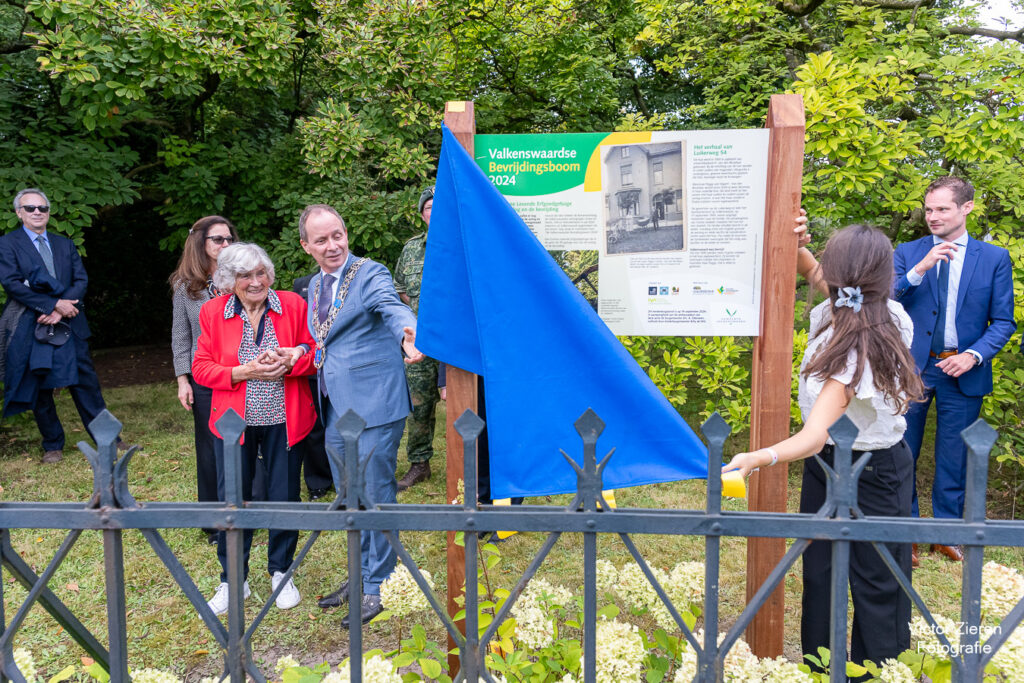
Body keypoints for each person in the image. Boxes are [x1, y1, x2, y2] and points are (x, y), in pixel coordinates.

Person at [724, 224, 923, 673]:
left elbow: (815, 432)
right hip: (825, 467)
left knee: (878, 583)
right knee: (820, 574)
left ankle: (879, 673)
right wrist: (798, 244)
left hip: (874, 470)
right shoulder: (841, 307)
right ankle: (823, 671)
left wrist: (757, 457)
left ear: (844, 275)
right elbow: (817, 276)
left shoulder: (869, 339)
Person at [297, 204, 424, 627]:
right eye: (321, 240)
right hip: (336, 405)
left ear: (346, 233)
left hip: (375, 403)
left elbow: (391, 308)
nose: (332, 245)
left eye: (338, 235)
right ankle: (361, 573)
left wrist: (408, 331)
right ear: (306, 247)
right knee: (349, 496)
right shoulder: (314, 286)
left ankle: (379, 584)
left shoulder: (370, 273)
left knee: (375, 493)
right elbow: (324, 339)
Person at [893, 176, 1015, 563]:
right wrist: (920, 269)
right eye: (928, 209)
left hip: (962, 370)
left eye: (942, 208)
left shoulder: (994, 258)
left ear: (967, 208)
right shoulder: (908, 252)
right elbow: (886, 301)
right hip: (912, 368)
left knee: (954, 456)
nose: (933, 216)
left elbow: (1003, 321)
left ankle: (946, 534)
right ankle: (906, 534)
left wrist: (973, 355)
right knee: (901, 452)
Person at [192, 242, 317, 616]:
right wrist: (241, 371)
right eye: (245, 275)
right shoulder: (213, 312)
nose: (254, 281)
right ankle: (233, 580)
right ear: (230, 280)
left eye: (260, 272)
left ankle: (281, 571)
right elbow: (201, 368)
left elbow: (314, 352)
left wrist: (293, 358)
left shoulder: (293, 305)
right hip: (234, 423)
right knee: (234, 498)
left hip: (286, 417)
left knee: (285, 496)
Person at [0, 188, 125, 462]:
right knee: (41, 389)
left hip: (69, 322)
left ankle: (109, 439)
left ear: (48, 212)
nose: (37, 212)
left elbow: (81, 280)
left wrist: (62, 309)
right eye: (30, 208)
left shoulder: (64, 244)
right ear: (19, 213)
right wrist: (52, 305)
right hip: (34, 325)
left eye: (42, 208)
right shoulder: (7, 244)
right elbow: (11, 284)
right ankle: (53, 445)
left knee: (86, 384)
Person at [169, 216, 239, 545]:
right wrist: (183, 380)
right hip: (205, 376)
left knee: (247, 443)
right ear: (201, 244)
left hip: (244, 370)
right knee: (210, 447)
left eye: (229, 239)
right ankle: (214, 520)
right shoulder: (186, 287)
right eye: (217, 240)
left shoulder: (243, 277)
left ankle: (248, 507)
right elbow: (181, 337)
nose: (225, 245)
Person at [393, 187, 442, 492]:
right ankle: (419, 464)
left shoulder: (464, 242)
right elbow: (400, 290)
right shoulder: (411, 249)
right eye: (429, 208)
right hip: (420, 341)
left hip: (456, 341)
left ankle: (471, 461)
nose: (434, 212)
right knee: (419, 403)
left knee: (466, 403)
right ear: (422, 214)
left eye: (441, 206)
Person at [291, 272, 335, 500]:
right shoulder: (302, 283)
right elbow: (297, 324)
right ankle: (318, 481)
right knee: (314, 427)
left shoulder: (353, 280)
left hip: (340, 363)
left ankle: (348, 476)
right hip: (310, 362)